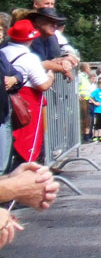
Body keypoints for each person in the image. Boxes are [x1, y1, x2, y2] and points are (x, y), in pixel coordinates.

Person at [1, 20, 54, 172]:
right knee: (22, 149)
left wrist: (15, 78)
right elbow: (42, 84)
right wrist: (51, 76)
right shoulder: (30, 58)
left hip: (8, 102)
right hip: (24, 105)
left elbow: (16, 75)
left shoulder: (3, 52)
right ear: (30, 40)